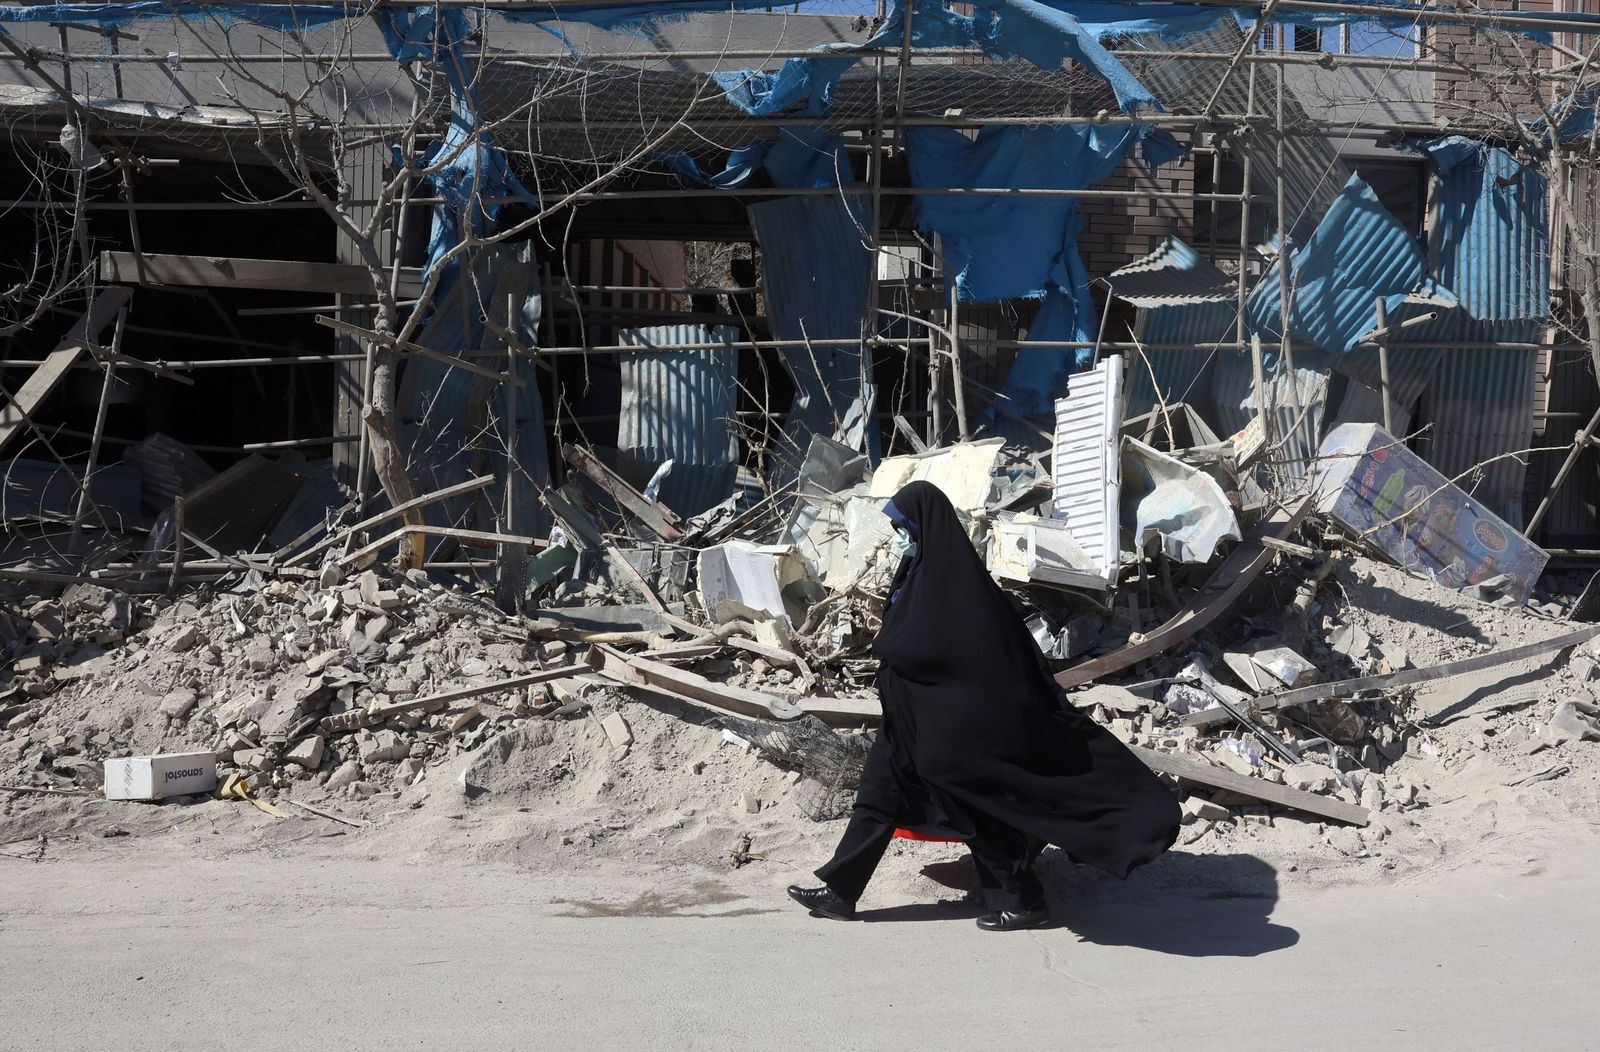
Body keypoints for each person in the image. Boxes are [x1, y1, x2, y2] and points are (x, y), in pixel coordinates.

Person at [788, 481, 1181, 931]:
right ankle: (841, 891)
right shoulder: (916, 576)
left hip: (946, 730)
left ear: (925, 528)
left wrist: (896, 652)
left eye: (904, 529)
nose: (899, 538)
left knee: (972, 810)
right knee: (876, 798)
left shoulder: (959, 589)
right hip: (906, 721)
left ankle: (1024, 899)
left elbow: (960, 659)